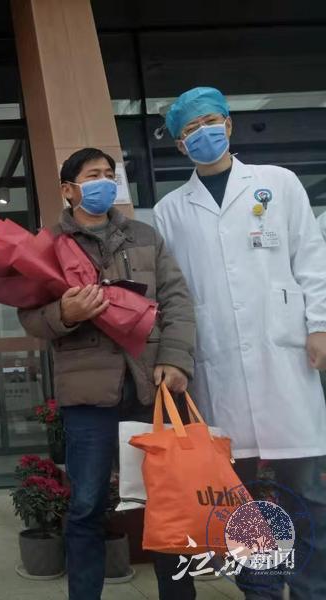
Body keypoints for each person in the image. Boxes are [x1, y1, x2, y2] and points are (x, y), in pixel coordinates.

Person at [155, 86, 326, 599]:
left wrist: (319, 325)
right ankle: (261, 592)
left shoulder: (278, 183)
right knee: (240, 501)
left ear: (228, 124)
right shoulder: (169, 210)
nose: (203, 134)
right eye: (190, 130)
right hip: (220, 367)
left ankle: (313, 589)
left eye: (210, 122)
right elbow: (173, 295)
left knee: (309, 491)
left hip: (286, 359)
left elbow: (311, 260)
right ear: (180, 145)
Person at [18, 148, 198, 600]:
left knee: (167, 502)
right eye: (92, 175)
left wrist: (176, 358)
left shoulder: (144, 236)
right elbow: (31, 317)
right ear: (68, 189)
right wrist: (66, 313)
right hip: (88, 395)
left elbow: (177, 300)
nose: (104, 182)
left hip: (150, 386)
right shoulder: (47, 244)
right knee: (86, 505)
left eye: (109, 174)